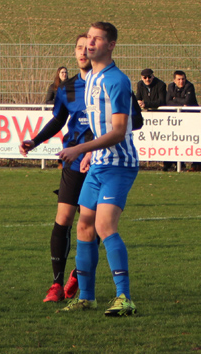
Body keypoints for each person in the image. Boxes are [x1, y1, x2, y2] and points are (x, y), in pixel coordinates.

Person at [57, 21, 138, 317]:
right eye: (88, 38)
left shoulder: (116, 80)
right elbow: (97, 124)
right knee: (84, 225)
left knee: (104, 226)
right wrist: (92, 151)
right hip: (99, 162)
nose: (89, 44)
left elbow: (118, 131)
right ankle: (86, 297)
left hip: (119, 164)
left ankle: (124, 297)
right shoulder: (91, 78)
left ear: (111, 45)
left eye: (97, 39)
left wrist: (81, 149)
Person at [20, 33, 92, 303]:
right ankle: (56, 284)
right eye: (78, 48)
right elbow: (59, 120)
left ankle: (79, 272)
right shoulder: (67, 88)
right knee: (63, 220)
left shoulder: (107, 83)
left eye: (87, 47)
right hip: (73, 160)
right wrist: (35, 141)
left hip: (99, 162)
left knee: (92, 224)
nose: (83, 52)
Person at [163, 70, 198, 171]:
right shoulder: (170, 87)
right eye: (178, 79)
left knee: (190, 141)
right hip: (176, 119)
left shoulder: (189, 86)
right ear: (174, 80)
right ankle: (176, 164)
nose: (181, 81)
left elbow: (188, 101)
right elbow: (168, 102)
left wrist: (175, 99)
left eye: (183, 79)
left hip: (190, 118)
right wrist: (180, 102)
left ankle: (194, 164)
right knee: (174, 141)